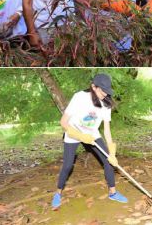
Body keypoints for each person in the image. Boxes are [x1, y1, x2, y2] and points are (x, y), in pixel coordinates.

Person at [51, 74, 127, 210]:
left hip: (92, 134)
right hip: (73, 133)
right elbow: (63, 122)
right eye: (102, 90)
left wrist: (112, 152)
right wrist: (80, 136)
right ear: (93, 86)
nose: (105, 94)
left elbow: (107, 131)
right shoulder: (79, 97)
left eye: (107, 91)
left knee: (108, 160)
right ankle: (57, 193)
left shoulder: (106, 104)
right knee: (67, 165)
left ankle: (112, 193)